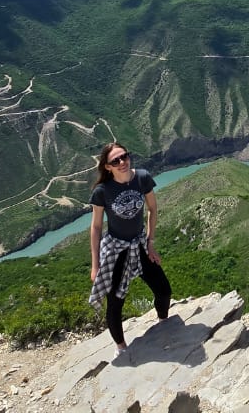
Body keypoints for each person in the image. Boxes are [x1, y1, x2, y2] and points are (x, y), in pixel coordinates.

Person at [87, 142, 171, 354]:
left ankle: (164, 324)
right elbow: (96, 227)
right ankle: (121, 348)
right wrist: (95, 265)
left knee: (163, 290)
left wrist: (150, 243)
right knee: (115, 303)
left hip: (140, 244)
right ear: (107, 167)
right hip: (117, 249)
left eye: (124, 156)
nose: (122, 162)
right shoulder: (102, 191)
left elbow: (152, 208)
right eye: (115, 160)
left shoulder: (142, 178)